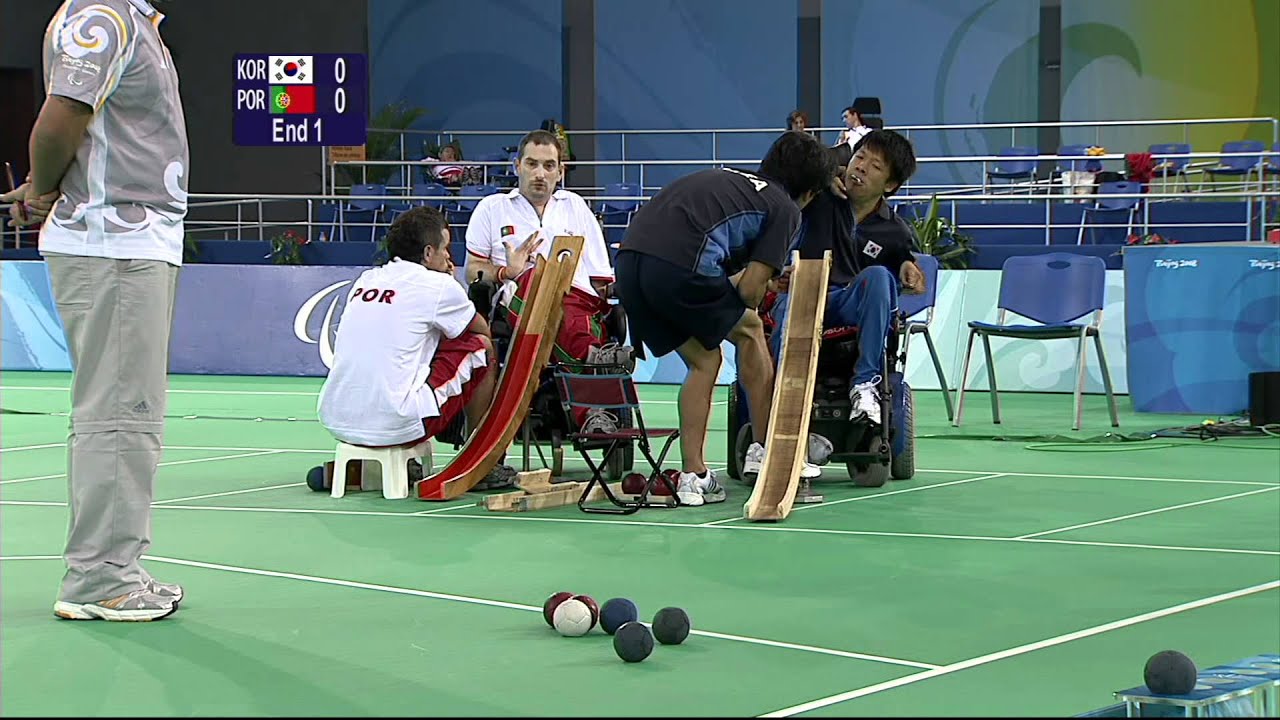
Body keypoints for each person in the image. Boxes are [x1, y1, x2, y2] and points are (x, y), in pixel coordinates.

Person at [1, 0, 188, 622]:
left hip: (130, 241)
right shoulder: (102, 16)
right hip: (115, 242)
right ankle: (99, 578)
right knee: (118, 411)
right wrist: (40, 183)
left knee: (128, 409)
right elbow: (61, 118)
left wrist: (40, 186)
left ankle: (116, 567)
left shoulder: (130, 21)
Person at [612, 131, 832, 505]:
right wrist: (766, 285)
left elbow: (719, 274)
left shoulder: (733, 180)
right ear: (810, 193)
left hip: (630, 266)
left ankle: (693, 476)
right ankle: (765, 452)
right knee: (750, 331)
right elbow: (748, 293)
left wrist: (757, 280)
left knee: (705, 360)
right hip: (678, 265)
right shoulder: (786, 209)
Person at [463, 129, 628, 430]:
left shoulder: (575, 207)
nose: (540, 173)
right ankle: (591, 368)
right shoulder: (492, 208)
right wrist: (505, 272)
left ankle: (591, 388)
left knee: (574, 308)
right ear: (517, 166)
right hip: (520, 299)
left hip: (574, 301)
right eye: (532, 164)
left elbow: (600, 280)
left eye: (549, 166)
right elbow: (472, 269)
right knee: (536, 283)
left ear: (560, 171)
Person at [317, 206, 498, 463]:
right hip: (398, 424)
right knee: (481, 347)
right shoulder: (439, 285)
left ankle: (399, 464)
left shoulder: (366, 279)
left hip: (336, 419)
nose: (448, 256)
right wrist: (452, 285)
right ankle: (479, 461)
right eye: (445, 249)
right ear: (428, 253)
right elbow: (480, 330)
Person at [771, 129, 925, 427]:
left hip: (846, 305)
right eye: (860, 157)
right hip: (800, 295)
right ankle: (780, 397)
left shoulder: (895, 231)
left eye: (876, 166)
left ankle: (864, 386)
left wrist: (907, 265)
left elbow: (904, 261)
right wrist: (824, 174)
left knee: (880, 276)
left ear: (890, 185)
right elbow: (796, 160)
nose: (862, 167)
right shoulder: (819, 196)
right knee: (784, 309)